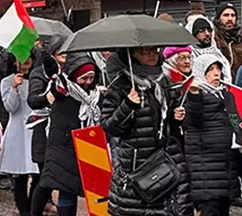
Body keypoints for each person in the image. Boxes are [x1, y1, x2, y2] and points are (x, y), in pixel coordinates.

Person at [100, 48, 192, 216]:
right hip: (138, 165)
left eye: (154, 51)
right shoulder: (121, 86)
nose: (151, 55)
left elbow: (175, 125)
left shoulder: (166, 81)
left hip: (169, 160)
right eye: (144, 51)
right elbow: (109, 126)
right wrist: (128, 105)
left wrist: (177, 117)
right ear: (132, 55)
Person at [29, 53, 100, 216]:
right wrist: (49, 65)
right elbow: (56, 80)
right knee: (53, 184)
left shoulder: (95, 95)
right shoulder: (64, 89)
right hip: (62, 145)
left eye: (91, 78)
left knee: (69, 188)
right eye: (84, 78)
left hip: (84, 143)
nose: (88, 82)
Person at [184, 54, 241, 216]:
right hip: (206, 176)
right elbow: (193, 119)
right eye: (210, 70)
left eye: (218, 69)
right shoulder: (194, 95)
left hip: (226, 172)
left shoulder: (226, 95)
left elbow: (235, 122)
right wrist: (194, 95)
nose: (217, 73)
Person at [0, 55, 38, 216]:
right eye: (22, 57)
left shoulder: (37, 80)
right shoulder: (6, 81)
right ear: (14, 61)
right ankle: (24, 210)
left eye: (29, 56)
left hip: (36, 130)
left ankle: (33, 207)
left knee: (39, 174)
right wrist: (14, 88)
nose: (26, 60)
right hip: (17, 131)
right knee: (19, 175)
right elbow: (10, 107)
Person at [213, 3, 242, 77]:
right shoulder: (213, 37)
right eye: (226, 15)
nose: (230, 18)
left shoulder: (240, 37)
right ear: (218, 17)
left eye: (233, 15)